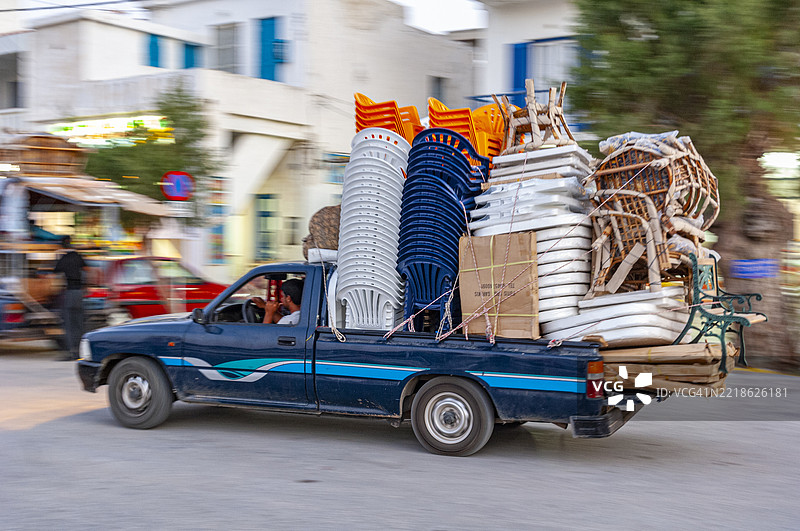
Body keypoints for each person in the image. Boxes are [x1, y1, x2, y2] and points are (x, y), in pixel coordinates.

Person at [53, 235, 87, 360]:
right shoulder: (78, 257)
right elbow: (87, 269)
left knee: (69, 324)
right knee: (79, 324)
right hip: (79, 294)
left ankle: (71, 353)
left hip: (70, 293)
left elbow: (55, 272)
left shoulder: (63, 259)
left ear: (62, 245)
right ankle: (80, 352)